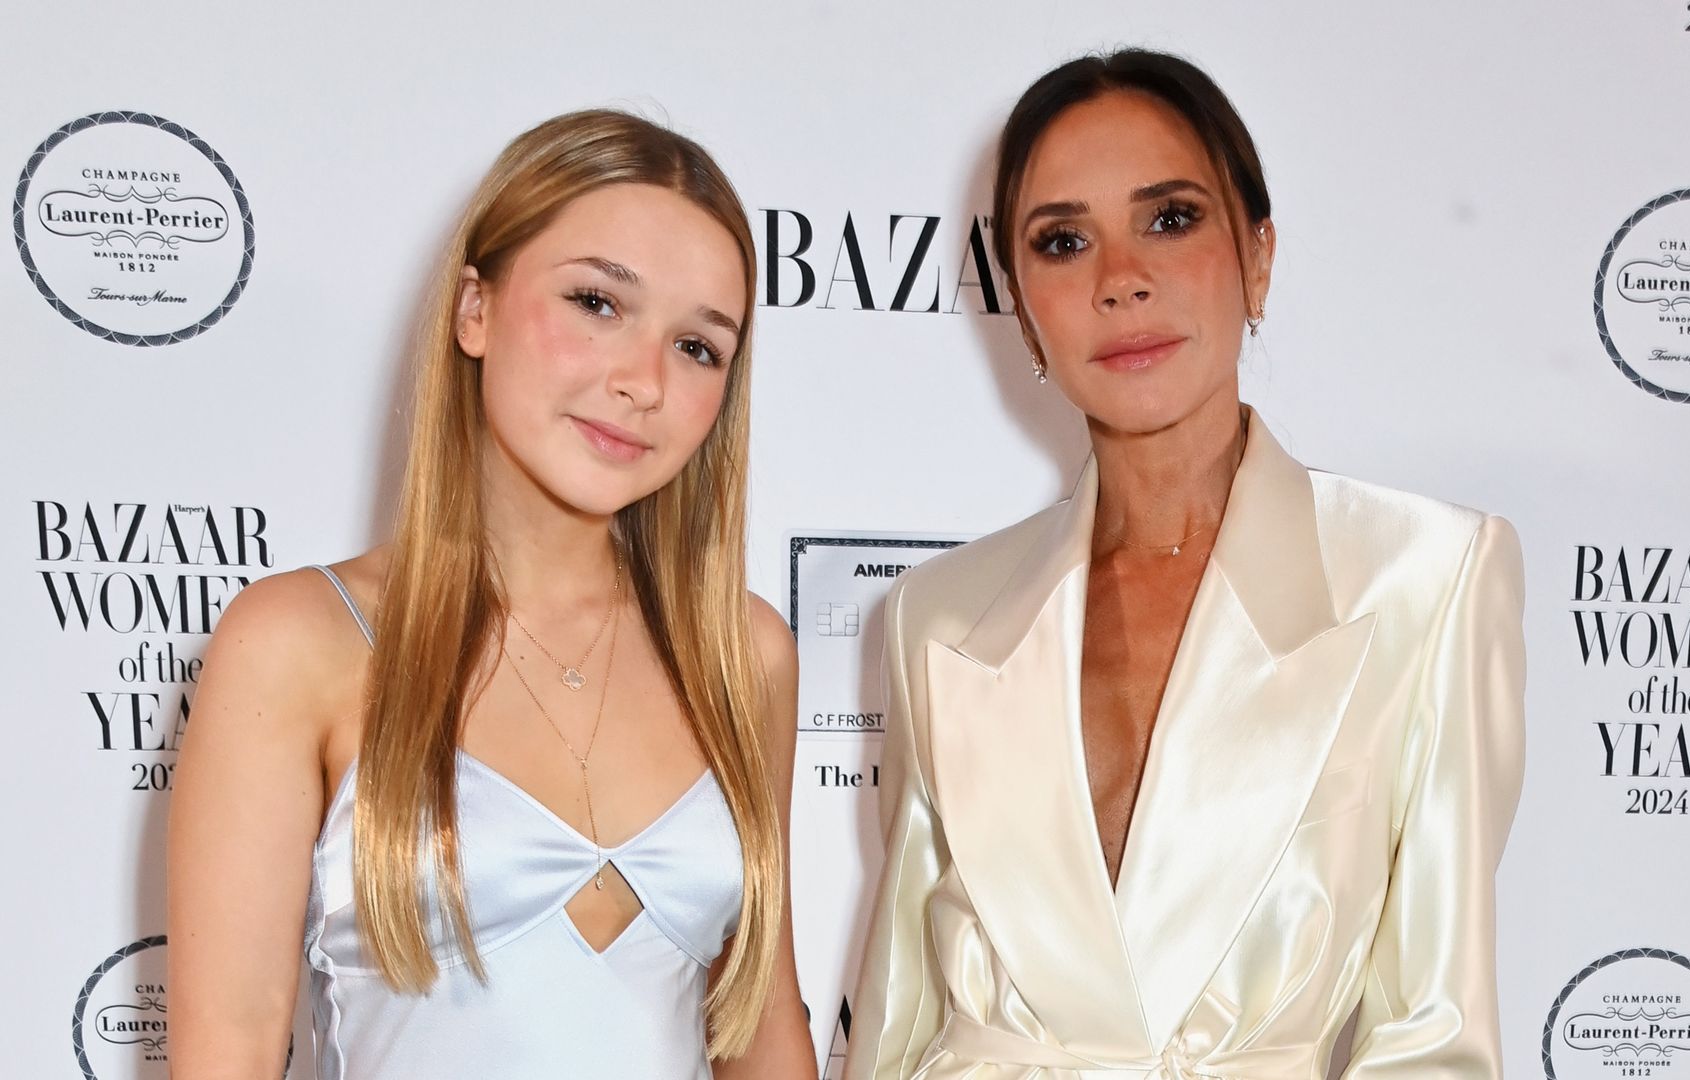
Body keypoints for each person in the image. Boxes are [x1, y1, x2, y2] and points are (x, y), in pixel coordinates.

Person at [847, 50, 1526, 1079]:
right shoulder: (937, 619)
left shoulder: (1427, 577)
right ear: (1023, 306)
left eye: (1170, 219)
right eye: (1064, 241)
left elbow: (1435, 1037)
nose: (1121, 279)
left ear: (1258, 257)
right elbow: (895, 1023)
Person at [168, 109, 814, 1079]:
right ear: (475, 308)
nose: (643, 380)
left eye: (698, 347)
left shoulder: (743, 653)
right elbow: (231, 1050)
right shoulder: (299, 642)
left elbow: (761, 1034)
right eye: (598, 302)